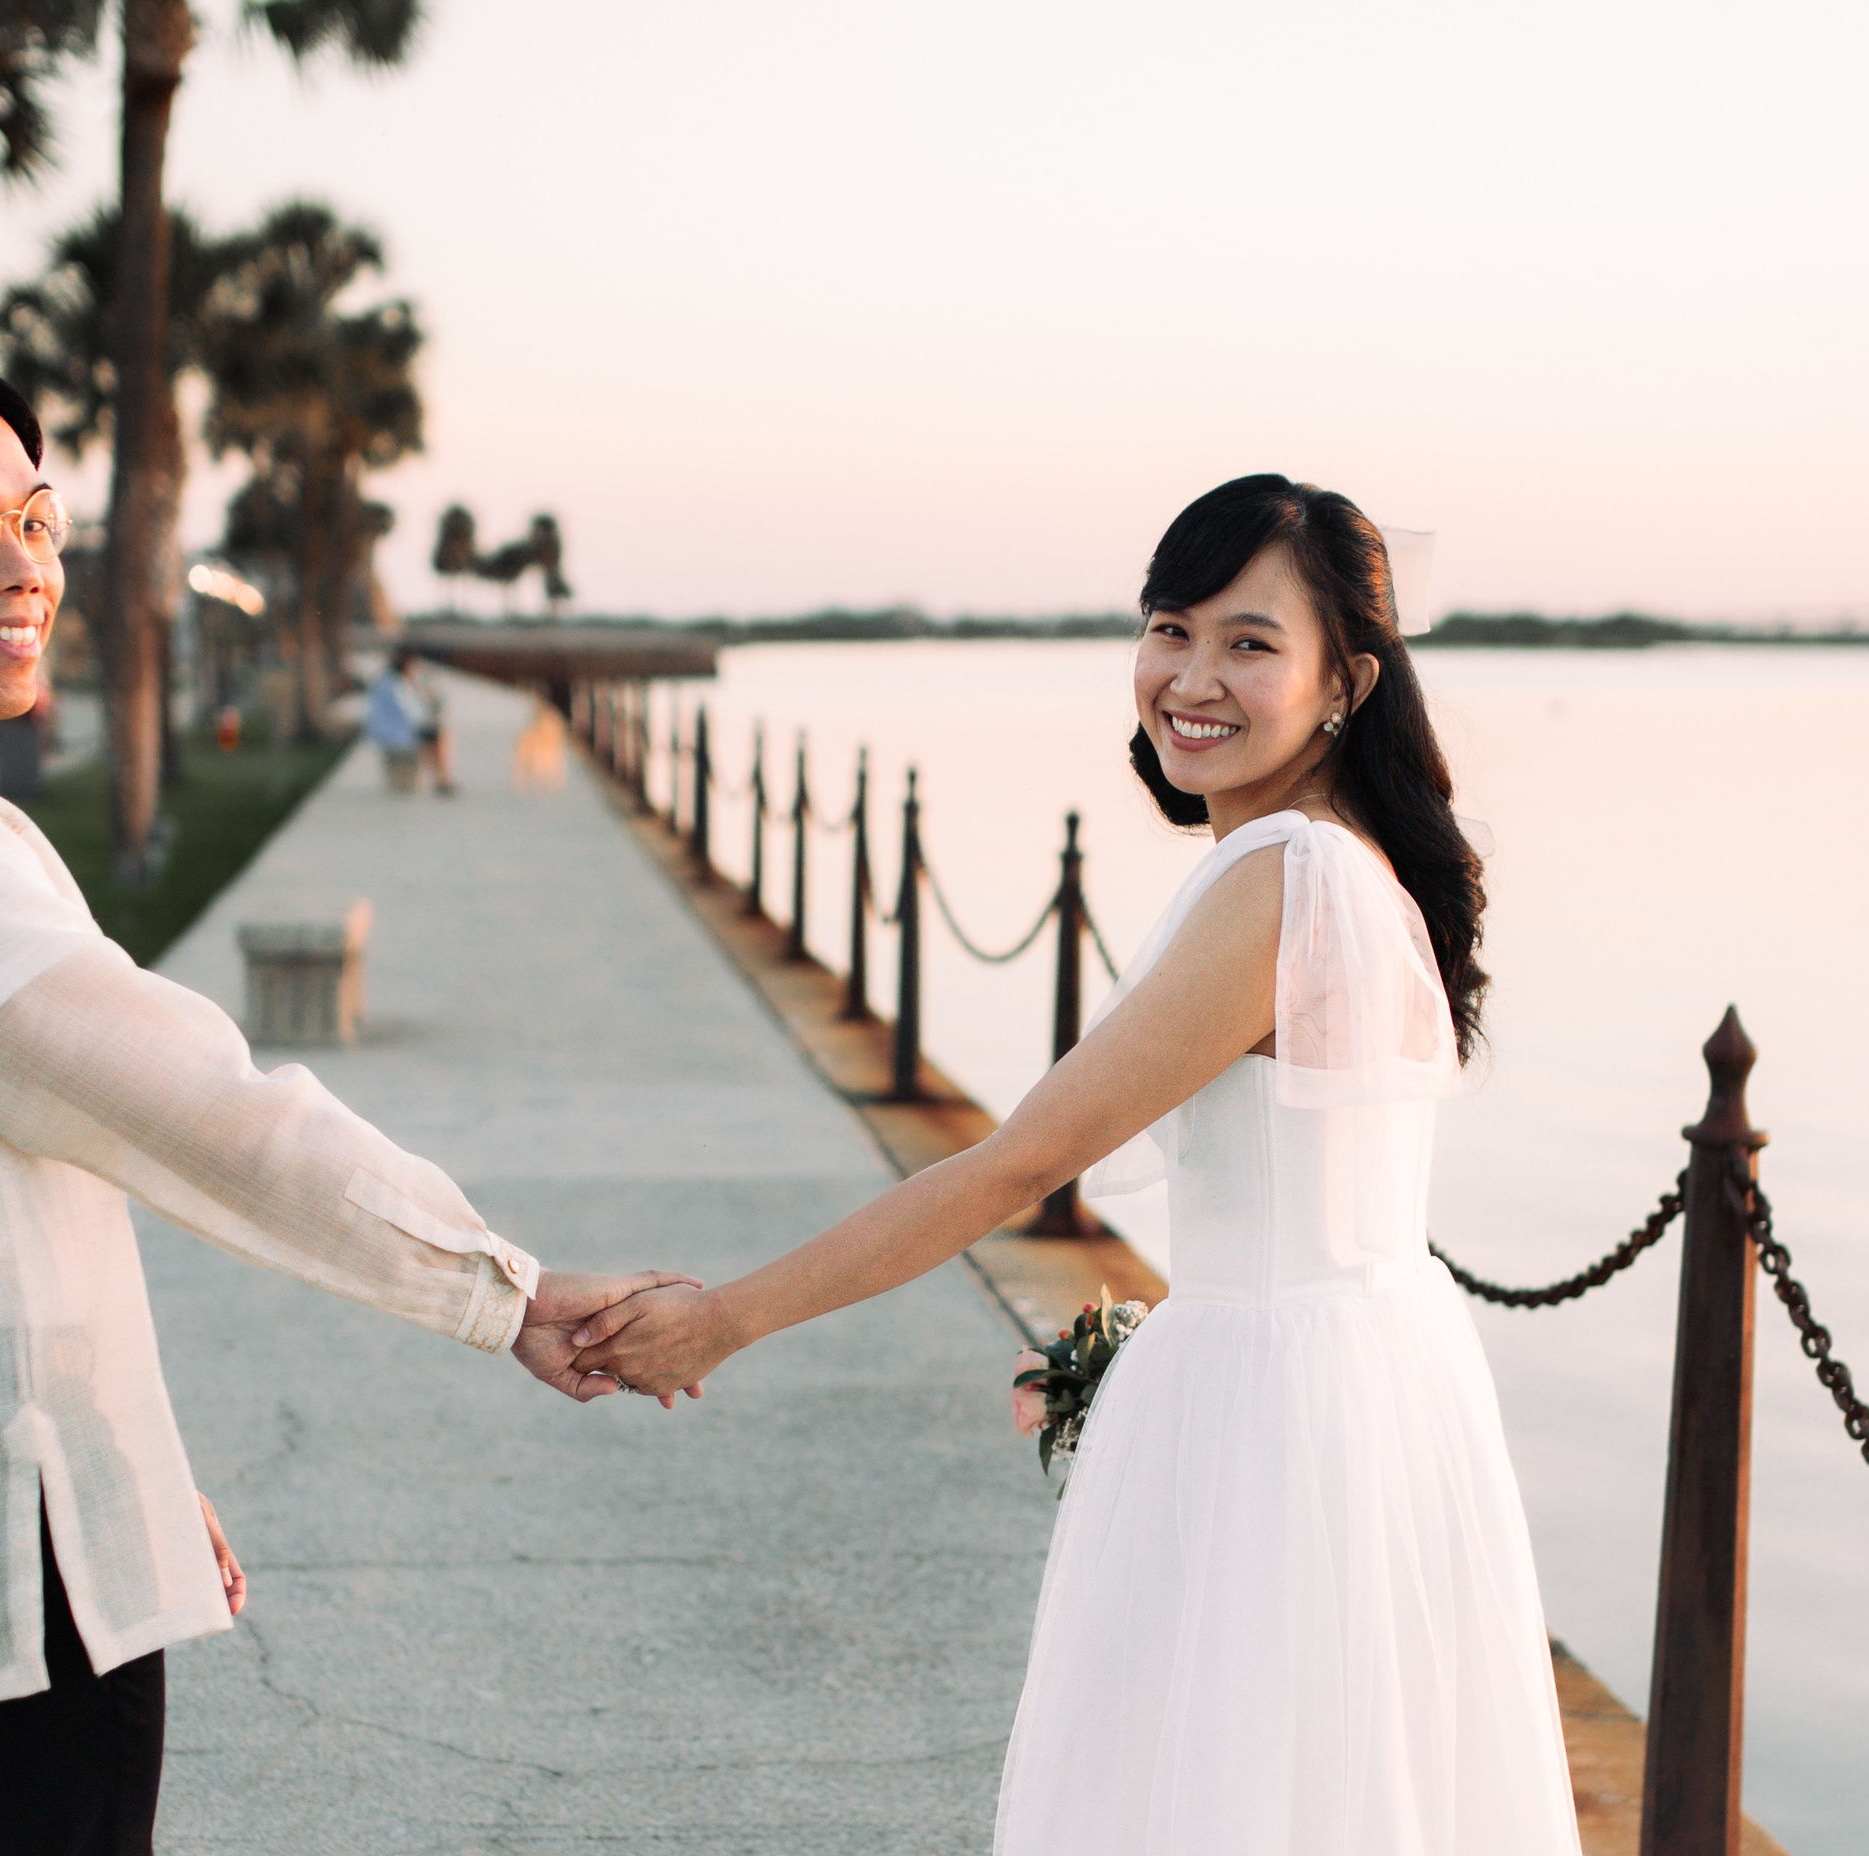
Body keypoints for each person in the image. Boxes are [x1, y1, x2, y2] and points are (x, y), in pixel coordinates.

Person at [0, 355, 693, 1856]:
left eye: (37, 518)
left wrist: (129, 1481)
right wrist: (506, 1290)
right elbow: (212, 1119)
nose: (22, 562)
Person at [571, 474, 1582, 1854]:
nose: (1191, 678)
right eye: (1170, 629)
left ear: (1345, 679)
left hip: (1273, 1416)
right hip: (1373, 1382)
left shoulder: (1285, 876)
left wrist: (727, 1318)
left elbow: (1012, 1169)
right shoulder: (1355, 869)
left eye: (1248, 642)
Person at [365, 647, 454, 794]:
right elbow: (411, 713)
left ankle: (441, 779)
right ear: (407, 664)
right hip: (396, 732)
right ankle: (442, 780)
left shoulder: (388, 681)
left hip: (393, 730)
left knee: (435, 735)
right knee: (439, 736)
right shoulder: (394, 684)